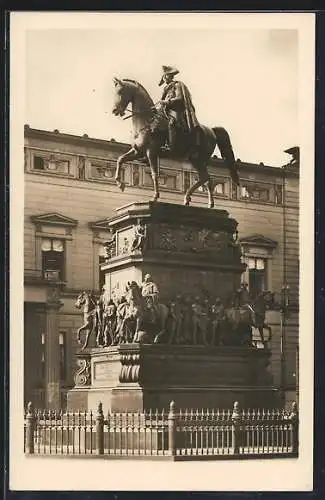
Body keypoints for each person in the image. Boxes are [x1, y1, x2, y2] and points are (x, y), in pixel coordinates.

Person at [158, 65, 201, 158]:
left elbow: (180, 97)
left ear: (170, 76)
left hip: (176, 110)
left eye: (166, 76)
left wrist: (167, 101)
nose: (165, 78)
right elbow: (161, 102)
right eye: (164, 76)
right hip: (166, 110)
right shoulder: (165, 88)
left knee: (171, 123)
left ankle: (170, 146)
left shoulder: (177, 85)